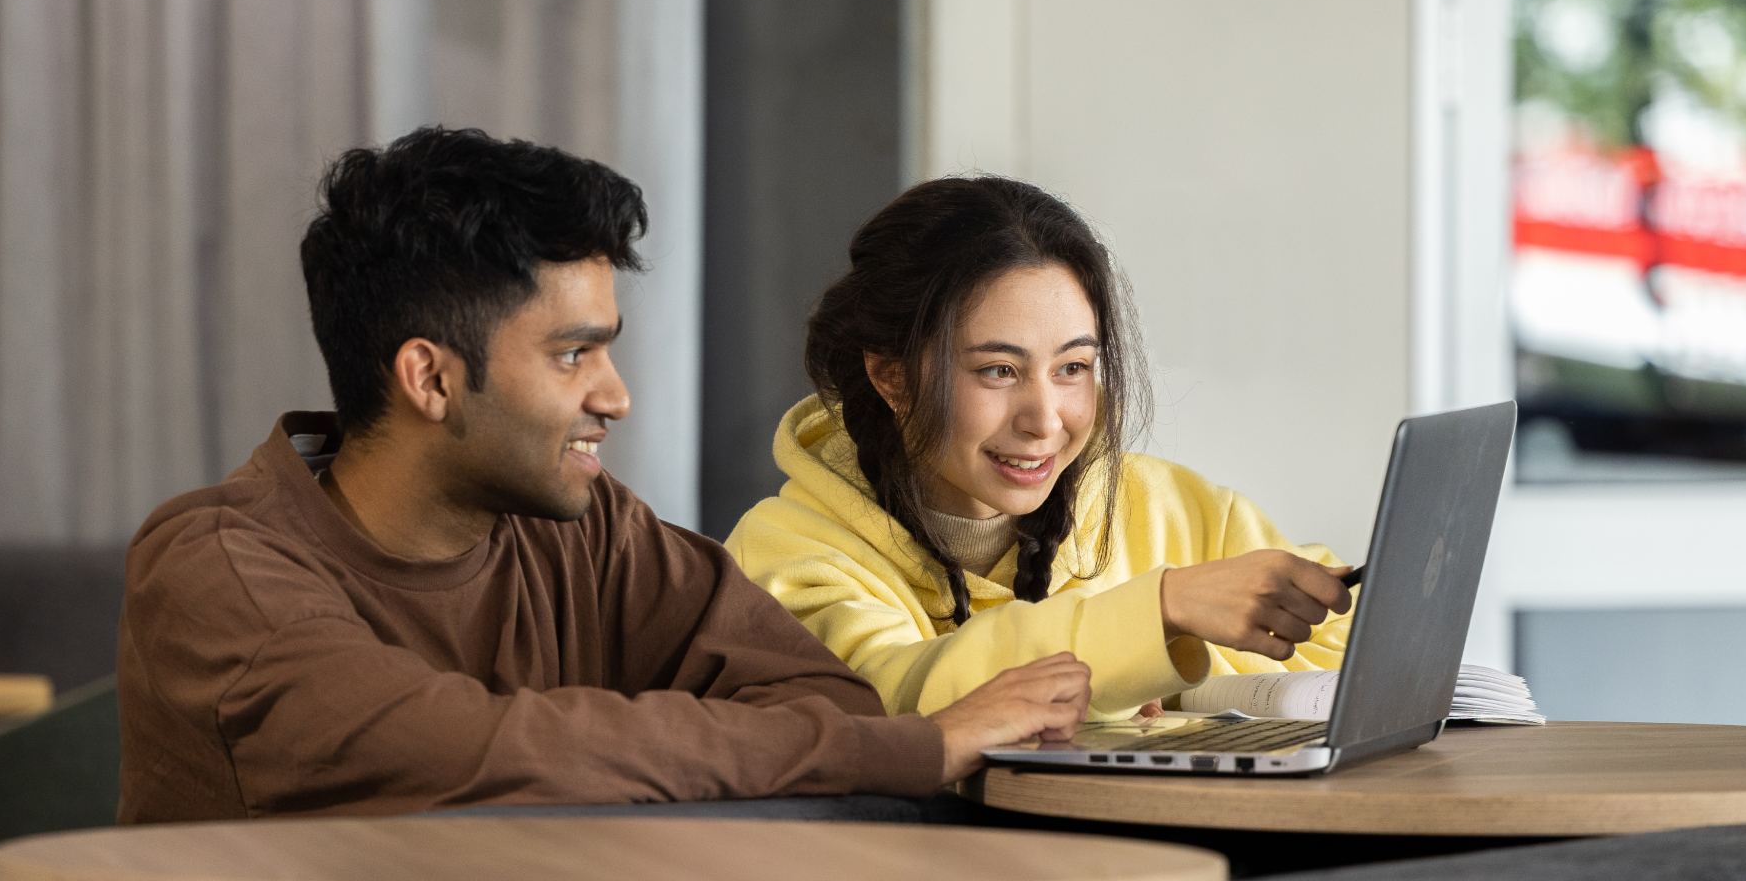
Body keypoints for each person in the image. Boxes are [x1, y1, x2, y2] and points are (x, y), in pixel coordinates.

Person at [117, 130, 1090, 824]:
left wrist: (606, 753)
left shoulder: (585, 529)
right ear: (430, 376)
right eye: (573, 354)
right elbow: (462, 753)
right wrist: (925, 745)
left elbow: (823, 701)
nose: (616, 395)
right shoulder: (216, 567)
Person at [725, 176, 1355, 720]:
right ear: (892, 377)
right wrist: (1164, 613)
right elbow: (889, 697)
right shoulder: (787, 551)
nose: (1045, 419)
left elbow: (1353, 644)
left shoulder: (1165, 506)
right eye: (999, 370)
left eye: (1073, 367)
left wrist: (1180, 678)